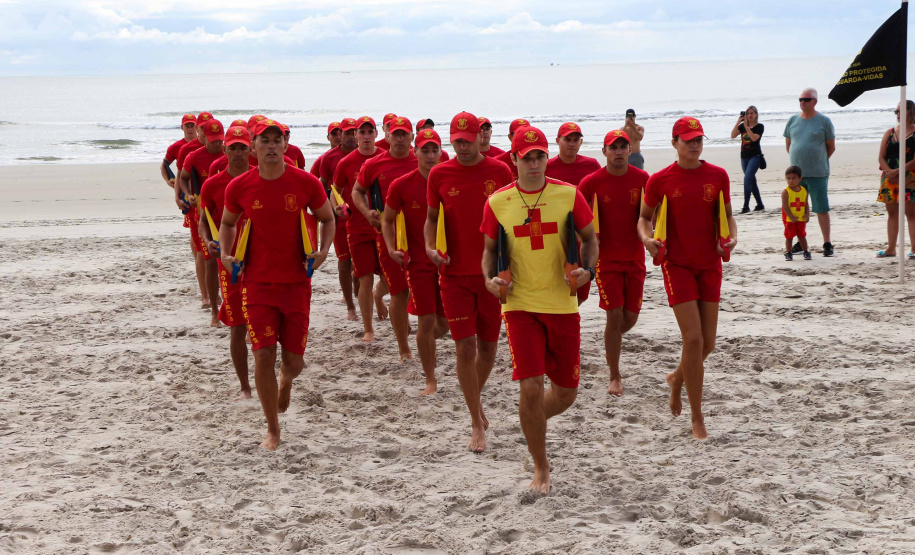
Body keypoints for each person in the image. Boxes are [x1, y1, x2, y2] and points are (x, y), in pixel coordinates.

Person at [481, 125, 597, 495]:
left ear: (547, 157)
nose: (534, 163)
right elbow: (488, 251)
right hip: (519, 306)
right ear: (513, 160)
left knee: (565, 394)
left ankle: (531, 423)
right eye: (526, 157)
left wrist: (588, 271)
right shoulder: (498, 202)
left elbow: (591, 239)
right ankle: (541, 467)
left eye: (540, 156)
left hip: (562, 305)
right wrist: (489, 280)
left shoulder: (568, 195)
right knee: (530, 387)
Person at [219, 119, 335, 451]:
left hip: (297, 282)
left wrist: (324, 250)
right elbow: (227, 223)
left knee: (294, 362)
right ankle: (272, 427)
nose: (271, 145)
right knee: (263, 354)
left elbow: (328, 218)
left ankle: (286, 382)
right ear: (253, 147)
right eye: (264, 140)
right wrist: (226, 254)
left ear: (286, 145)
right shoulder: (239, 186)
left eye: (277, 140)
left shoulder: (306, 183)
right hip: (255, 284)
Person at [638, 116, 737, 440]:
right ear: (674, 143)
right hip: (677, 265)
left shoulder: (718, 176)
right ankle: (697, 417)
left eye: (698, 139)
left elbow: (729, 216)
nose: (694, 144)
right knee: (693, 339)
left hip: (710, 264)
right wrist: (647, 239)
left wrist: (731, 237)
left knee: (707, 343)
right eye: (688, 139)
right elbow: (644, 218)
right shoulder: (660, 179)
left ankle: (678, 377)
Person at [425, 112, 514, 453]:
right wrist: (431, 247)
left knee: (489, 349)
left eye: (468, 139)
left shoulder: (500, 171)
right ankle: (476, 419)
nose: (462, 147)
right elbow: (432, 219)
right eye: (457, 141)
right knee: (465, 347)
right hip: (453, 274)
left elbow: (510, 220)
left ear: (481, 137)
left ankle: (475, 401)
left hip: (491, 274)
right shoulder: (439, 173)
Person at [578, 130, 649, 397]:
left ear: (630, 150)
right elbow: (575, 215)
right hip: (605, 261)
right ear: (604, 151)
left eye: (623, 147)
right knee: (614, 314)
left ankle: (611, 339)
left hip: (635, 259)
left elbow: (652, 215)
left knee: (629, 319)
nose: (618, 151)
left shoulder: (642, 179)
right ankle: (614, 375)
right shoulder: (591, 182)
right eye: (613, 147)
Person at [382, 128, 450, 394]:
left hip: (448, 263)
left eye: (435, 150)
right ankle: (430, 379)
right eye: (425, 150)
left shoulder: (448, 179)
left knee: (443, 324)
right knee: (426, 321)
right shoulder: (401, 184)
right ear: (415, 151)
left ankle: (425, 346)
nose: (431, 155)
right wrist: (390, 248)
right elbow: (387, 220)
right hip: (418, 263)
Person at [352, 117, 418, 352]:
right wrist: (366, 212)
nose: (400, 138)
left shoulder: (425, 160)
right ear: (388, 136)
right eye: (396, 134)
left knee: (414, 290)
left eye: (404, 134)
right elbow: (357, 191)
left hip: (421, 236)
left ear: (412, 137)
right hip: (388, 234)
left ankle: (378, 296)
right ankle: (404, 349)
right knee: (400, 291)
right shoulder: (374, 164)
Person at [198, 125, 254, 399]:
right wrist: (208, 241)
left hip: (262, 260)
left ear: (250, 149)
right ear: (225, 149)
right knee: (237, 325)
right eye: (233, 147)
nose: (238, 152)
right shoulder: (212, 184)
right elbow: (203, 222)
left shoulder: (262, 178)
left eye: (243, 147)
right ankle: (245, 386)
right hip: (229, 262)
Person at [334, 116, 390, 336]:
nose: (366, 137)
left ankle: (379, 296)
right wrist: (339, 207)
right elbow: (334, 192)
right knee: (364, 278)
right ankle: (368, 329)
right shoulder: (346, 162)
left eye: (370, 132)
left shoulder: (385, 158)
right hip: (357, 229)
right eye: (361, 132)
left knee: (389, 279)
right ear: (354, 135)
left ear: (377, 134)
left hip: (385, 230)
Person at [179, 119, 226, 319]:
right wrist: (186, 195)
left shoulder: (230, 154)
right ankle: (213, 306)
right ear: (204, 136)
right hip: (205, 214)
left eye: (220, 140)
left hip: (227, 214)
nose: (217, 144)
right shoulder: (194, 156)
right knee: (209, 261)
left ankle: (228, 303)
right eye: (213, 140)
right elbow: (182, 177)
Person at [784, 88, 836, 256]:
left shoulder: (824, 121)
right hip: (797, 177)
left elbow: (831, 147)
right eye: (800, 99)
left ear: (815, 101)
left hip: (818, 173)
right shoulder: (792, 120)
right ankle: (800, 242)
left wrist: (818, 160)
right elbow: (789, 145)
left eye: (806, 99)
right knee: (799, 209)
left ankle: (827, 243)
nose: (802, 102)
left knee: (821, 208)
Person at [323, 118, 360, 321]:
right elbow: (324, 187)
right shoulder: (329, 158)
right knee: (344, 260)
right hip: (339, 218)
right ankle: (350, 306)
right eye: (346, 133)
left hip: (362, 218)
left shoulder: (368, 155)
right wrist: (328, 214)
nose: (349, 137)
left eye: (354, 132)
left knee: (360, 263)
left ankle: (358, 290)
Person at [876, 100, 915, 259]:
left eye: (901, 111)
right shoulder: (890, 132)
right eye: (896, 111)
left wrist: (899, 171)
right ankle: (891, 248)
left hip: (910, 177)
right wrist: (889, 172)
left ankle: (913, 249)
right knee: (892, 213)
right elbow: (881, 157)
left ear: (911, 112)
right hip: (890, 177)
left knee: (911, 214)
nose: (897, 114)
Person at [730, 106, 765, 213]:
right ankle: (760, 204)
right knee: (752, 181)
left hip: (755, 156)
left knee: (747, 179)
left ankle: (746, 206)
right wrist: (738, 122)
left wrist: (746, 126)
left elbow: (754, 138)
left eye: (751, 113)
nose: (749, 115)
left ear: (756, 115)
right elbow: (733, 135)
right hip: (744, 156)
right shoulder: (742, 126)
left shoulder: (759, 126)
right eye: (747, 113)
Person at [546, 122, 601, 186]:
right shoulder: (547, 167)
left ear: (581, 142)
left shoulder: (592, 165)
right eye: (567, 139)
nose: (572, 144)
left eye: (576, 140)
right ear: (557, 141)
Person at [781, 166, 811, 261]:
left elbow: (806, 204)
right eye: (788, 178)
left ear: (800, 179)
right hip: (789, 219)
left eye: (794, 178)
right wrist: (791, 216)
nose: (791, 181)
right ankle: (789, 252)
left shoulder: (803, 190)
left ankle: (805, 251)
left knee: (802, 235)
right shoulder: (786, 192)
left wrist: (807, 214)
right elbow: (785, 206)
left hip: (800, 218)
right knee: (789, 236)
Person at [161, 113, 197, 189]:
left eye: (192, 126)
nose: (190, 129)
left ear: (197, 127)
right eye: (187, 126)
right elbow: (164, 165)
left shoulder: (204, 143)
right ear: (182, 127)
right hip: (184, 186)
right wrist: (168, 180)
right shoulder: (176, 147)